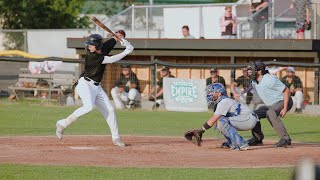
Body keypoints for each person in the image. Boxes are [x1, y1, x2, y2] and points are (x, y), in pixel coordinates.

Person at [55, 34, 134, 147]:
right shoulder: (92, 56)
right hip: (85, 84)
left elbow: (114, 39)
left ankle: (116, 138)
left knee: (110, 110)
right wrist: (127, 51)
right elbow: (111, 60)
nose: (88, 47)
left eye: (91, 45)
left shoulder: (103, 48)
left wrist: (120, 37)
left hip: (97, 87)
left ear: (98, 45)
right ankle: (62, 124)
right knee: (89, 107)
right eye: (88, 45)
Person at [184, 83, 259, 151]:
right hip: (245, 118)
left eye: (211, 92)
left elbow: (213, 119)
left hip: (248, 119)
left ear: (219, 93)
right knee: (221, 121)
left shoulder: (224, 101)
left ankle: (241, 143)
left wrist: (201, 130)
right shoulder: (223, 101)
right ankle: (233, 142)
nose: (209, 94)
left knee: (220, 121)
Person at [246, 61, 293, 148]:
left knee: (270, 113)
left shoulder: (269, 79)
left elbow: (286, 91)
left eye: (251, 70)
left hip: (284, 100)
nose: (249, 72)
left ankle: (285, 139)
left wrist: (285, 108)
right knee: (253, 114)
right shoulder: (254, 82)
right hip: (271, 104)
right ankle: (257, 139)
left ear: (259, 71)